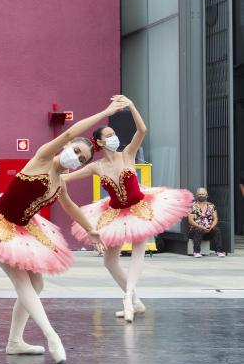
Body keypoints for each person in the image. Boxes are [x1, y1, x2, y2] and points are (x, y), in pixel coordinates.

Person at [0, 98, 128, 364]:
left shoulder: (60, 183)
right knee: (23, 283)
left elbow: (70, 207)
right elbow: (71, 131)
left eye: (81, 159)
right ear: (66, 146)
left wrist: (91, 230)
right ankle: (52, 336)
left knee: (37, 283)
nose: (77, 157)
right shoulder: (44, 157)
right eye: (76, 151)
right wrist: (106, 113)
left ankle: (15, 341)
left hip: (23, 229)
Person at [63, 96, 192, 322]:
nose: (114, 138)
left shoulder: (128, 154)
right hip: (114, 212)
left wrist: (131, 105)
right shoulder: (97, 166)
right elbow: (66, 178)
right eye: (109, 136)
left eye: (114, 135)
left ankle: (128, 298)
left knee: (138, 249)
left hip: (139, 208)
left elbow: (142, 130)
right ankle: (136, 302)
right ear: (100, 143)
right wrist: (62, 160)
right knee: (109, 261)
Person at [188, 187, 226, 258]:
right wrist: (201, 227)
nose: (201, 196)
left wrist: (211, 227)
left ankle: (219, 251)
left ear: (207, 195)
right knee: (198, 230)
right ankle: (196, 252)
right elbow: (190, 221)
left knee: (216, 230)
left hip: (208, 230)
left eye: (203, 194)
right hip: (195, 231)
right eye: (199, 194)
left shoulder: (211, 206)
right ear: (196, 195)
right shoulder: (192, 206)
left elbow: (215, 218)